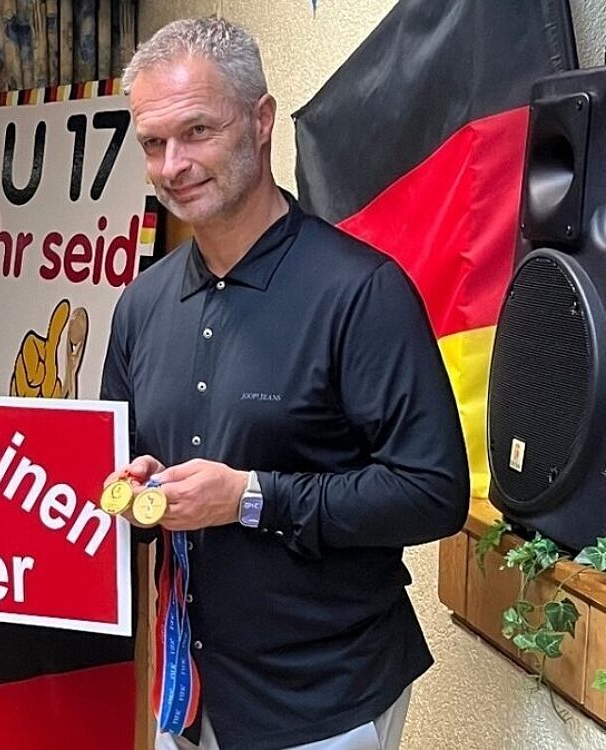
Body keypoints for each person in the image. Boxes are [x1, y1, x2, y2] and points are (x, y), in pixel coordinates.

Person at [102, 17, 469, 750]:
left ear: (262, 121)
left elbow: (433, 493)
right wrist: (136, 489)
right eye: (152, 143)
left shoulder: (362, 292)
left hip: (323, 702)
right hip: (190, 693)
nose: (174, 165)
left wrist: (250, 497)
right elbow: (129, 459)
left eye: (197, 131)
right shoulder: (141, 303)